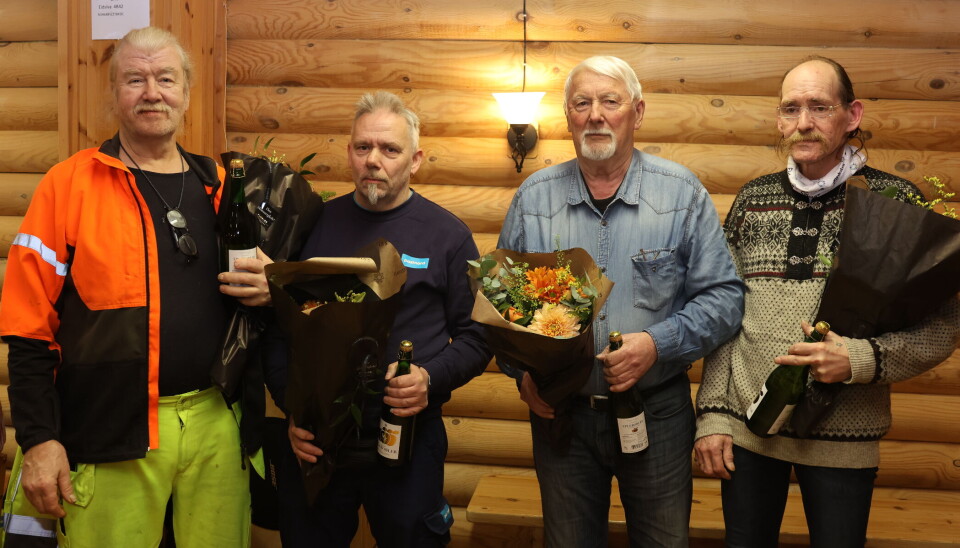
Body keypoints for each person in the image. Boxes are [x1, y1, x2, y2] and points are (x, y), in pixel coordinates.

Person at [0, 26, 270, 548]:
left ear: (186, 91)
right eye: (135, 80)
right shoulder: (69, 185)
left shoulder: (218, 185)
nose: (152, 93)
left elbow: (253, 305)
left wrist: (268, 288)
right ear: (114, 93)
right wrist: (39, 439)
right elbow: (28, 328)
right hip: (110, 430)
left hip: (217, 423)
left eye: (166, 78)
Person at [694, 55, 960, 547]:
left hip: (845, 438)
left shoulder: (894, 200)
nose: (804, 122)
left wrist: (859, 359)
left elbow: (943, 326)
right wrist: (712, 414)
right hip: (750, 431)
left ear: (852, 115)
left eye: (819, 107)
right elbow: (724, 312)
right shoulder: (753, 200)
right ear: (779, 120)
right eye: (791, 109)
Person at [497, 56, 745, 547]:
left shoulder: (681, 194)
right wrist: (519, 373)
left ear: (637, 112)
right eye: (582, 103)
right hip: (562, 417)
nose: (595, 114)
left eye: (610, 101)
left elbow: (724, 299)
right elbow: (502, 309)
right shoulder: (533, 199)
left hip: (658, 413)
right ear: (568, 116)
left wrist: (656, 343)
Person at [263, 91, 491, 547]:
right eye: (363, 147)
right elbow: (277, 329)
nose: (373, 160)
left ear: (415, 160)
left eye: (390, 149)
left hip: (408, 434)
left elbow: (478, 337)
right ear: (349, 152)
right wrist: (293, 412)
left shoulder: (448, 235)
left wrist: (429, 378)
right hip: (317, 438)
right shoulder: (311, 226)